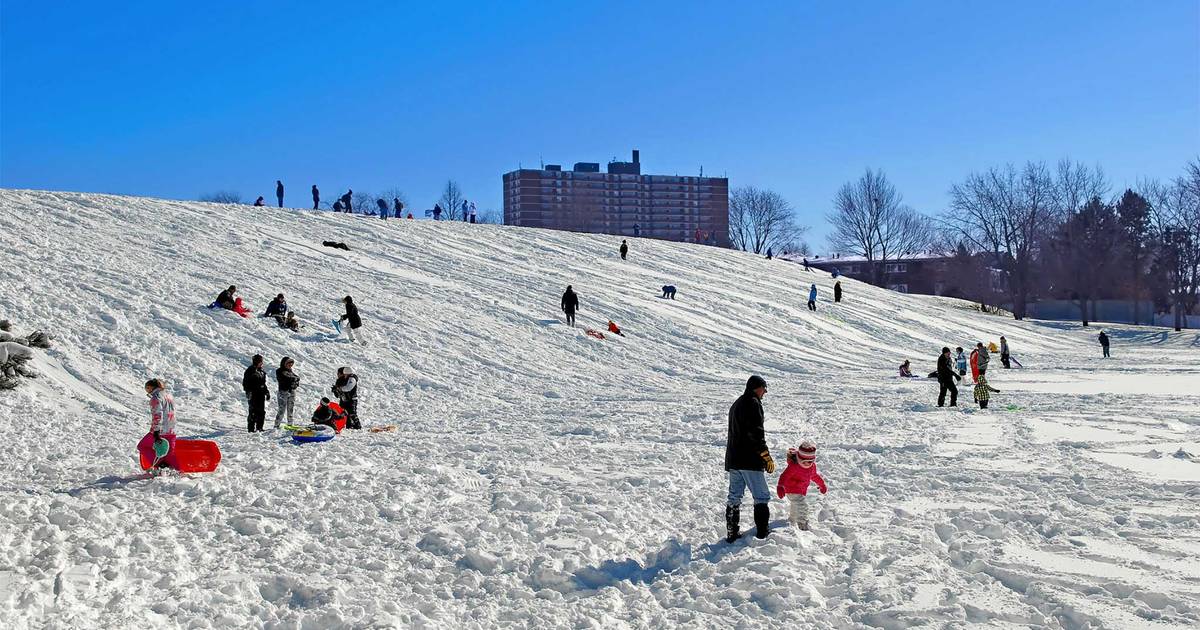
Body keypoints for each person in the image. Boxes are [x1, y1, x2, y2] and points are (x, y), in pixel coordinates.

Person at [726, 375, 774, 542]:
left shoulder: (736, 403)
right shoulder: (753, 403)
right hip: (749, 459)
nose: (765, 392)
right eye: (764, 388)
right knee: (761, 496)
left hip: (733, 459)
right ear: (756, 387)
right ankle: (762, 534)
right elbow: (756, 433)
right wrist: (765, 455)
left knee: (734, 497)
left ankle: (732, 533)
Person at [776, 442, 827, 530]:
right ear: (799, 459)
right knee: (803, 506)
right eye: (804, 461)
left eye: (810, 461)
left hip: (801, 490)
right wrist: (780, 486)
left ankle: (792, 520)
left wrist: (822, 485)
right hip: (791, 489)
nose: (807, 464)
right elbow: (785, 475)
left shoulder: (812, 467)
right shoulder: (794, 466)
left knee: (796, 506)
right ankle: (802, 524)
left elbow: (814, 476)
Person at [139, 378, 177, 470]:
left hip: (160, 430)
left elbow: (157, 415)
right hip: (171, 429)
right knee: (168, 453)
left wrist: (156, 431)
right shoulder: (169, 396)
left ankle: (159, 466)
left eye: (147, 387)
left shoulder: (155, 398)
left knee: (142, 446)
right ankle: (172, 469)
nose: (146, 390)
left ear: (152, 387)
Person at [242, 354, 270, 433]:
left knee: (261, 411)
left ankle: (259, 427)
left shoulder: (261, 372)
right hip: (253, 394)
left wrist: (267, 392)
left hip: (261, 394)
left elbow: (263, 384)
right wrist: (248, 391)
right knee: (253, 411)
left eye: (261, 361)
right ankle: (251, 429)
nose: (261, 363)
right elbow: (245, 382)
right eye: (259, 361)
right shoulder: (250, 370)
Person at [275, 357, 300, 428]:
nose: (290, 365)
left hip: (292, 392)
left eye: (291, 363)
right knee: (281, 410)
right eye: (288, 363)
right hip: (283, 393)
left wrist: (294, 381)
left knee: (290, 409)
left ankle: (290, 424)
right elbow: (286, 379)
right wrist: (293, 380)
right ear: (284, 363)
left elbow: (297, 378)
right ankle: (276, 425)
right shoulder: (280, 371)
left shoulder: (290, 371)